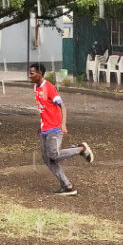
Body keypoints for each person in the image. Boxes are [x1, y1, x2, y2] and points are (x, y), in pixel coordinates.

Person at [29, 63, 94, 196]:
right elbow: (44, 108)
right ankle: (67, 185)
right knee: (48, 159)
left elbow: (63, 106)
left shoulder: (49, 88)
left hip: (54, 128)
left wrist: (63, 125)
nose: (29, 76)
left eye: (32, 73)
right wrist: (40, 125)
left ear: (40, 74)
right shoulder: (35, 87)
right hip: (45, 128)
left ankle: (80, 149)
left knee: (53, 155)